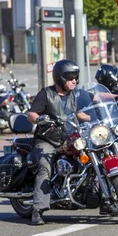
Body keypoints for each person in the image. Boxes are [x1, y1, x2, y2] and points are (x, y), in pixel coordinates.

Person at [27, 60, 87, 225]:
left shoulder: (74, 95)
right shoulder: (46, 94)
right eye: (70, 78)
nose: (74, 81)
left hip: (68, 139)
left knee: (90, 156)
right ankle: (38, 210)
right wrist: (40, 119)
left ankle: (106, 200)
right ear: (61, 79)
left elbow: (79, 113)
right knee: (45, 169)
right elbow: (31, 114)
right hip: (47, 140)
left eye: (76, 77)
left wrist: (96, 117)